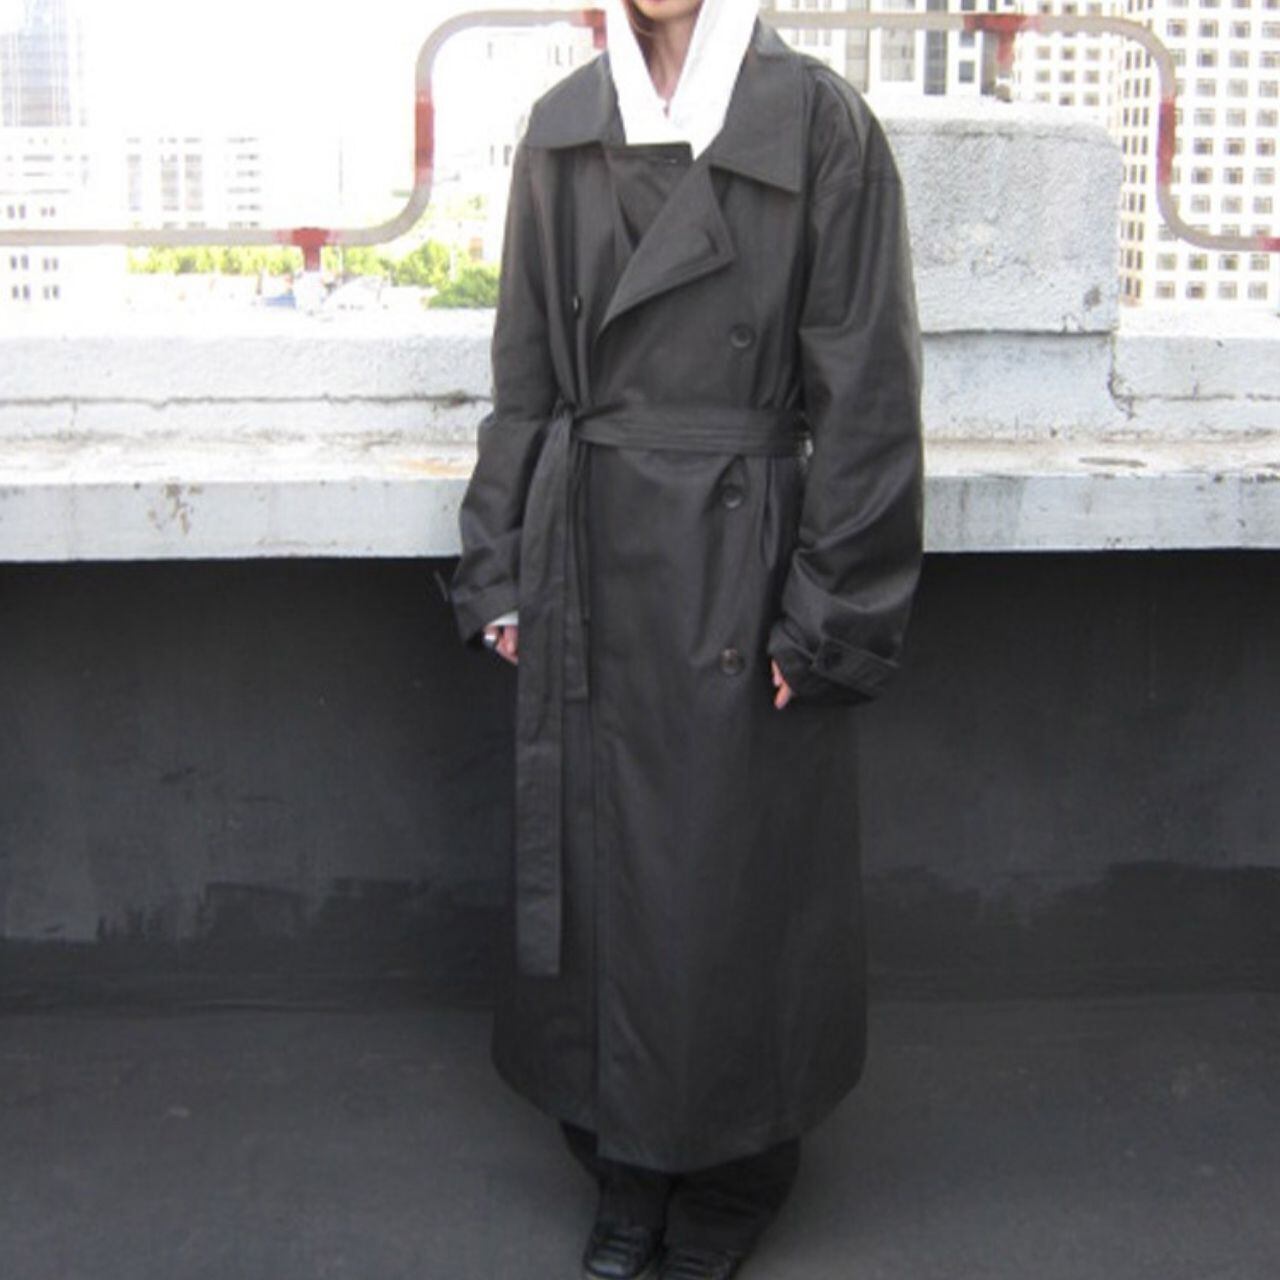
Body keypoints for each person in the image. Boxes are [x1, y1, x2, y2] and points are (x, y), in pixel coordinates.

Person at [448, 0, 924, 1276]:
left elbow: (868, 398)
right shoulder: (563, 124)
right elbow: (522, 374)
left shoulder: (817, 124)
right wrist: (500, 562)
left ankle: (732, 1169)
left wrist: (826, 614)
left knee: (727, 880)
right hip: (590, 547)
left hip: (738, 559)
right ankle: (620, 1160)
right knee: (603, 877)